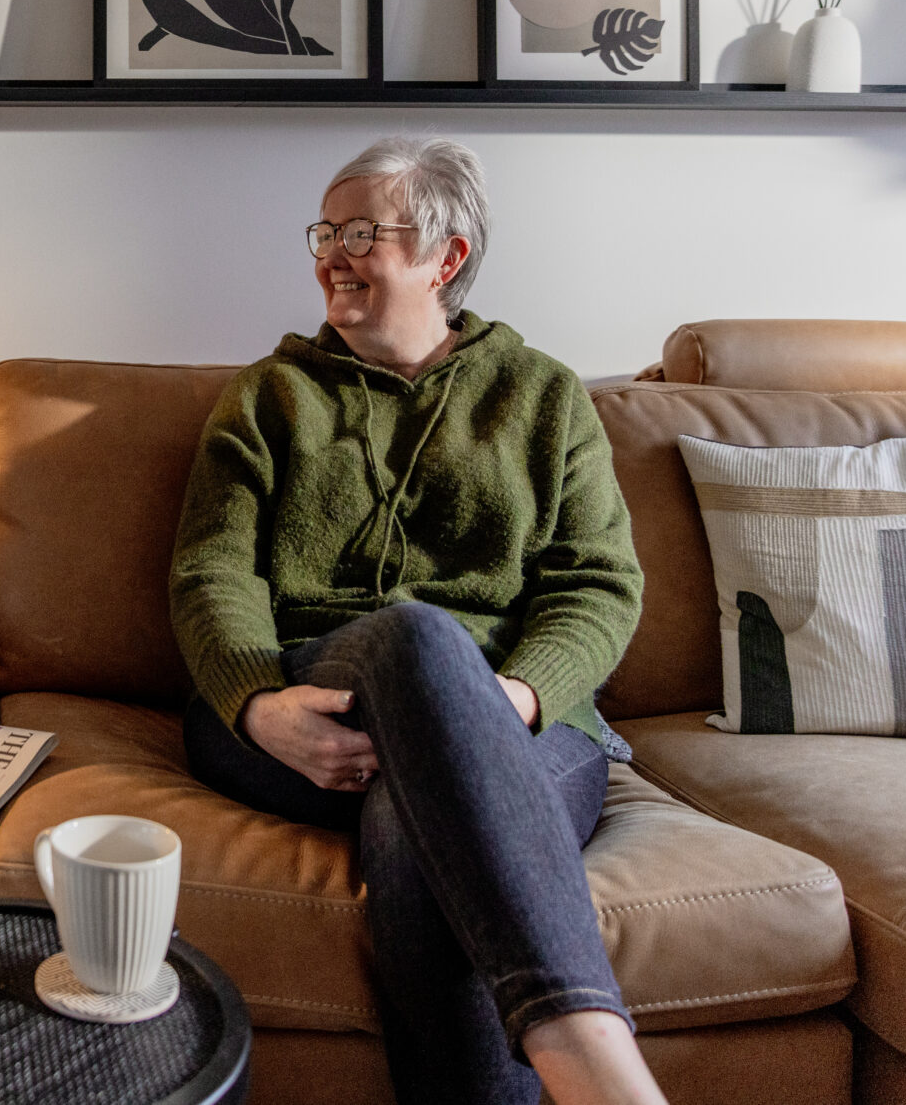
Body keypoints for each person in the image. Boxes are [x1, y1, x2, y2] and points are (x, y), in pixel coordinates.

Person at [170, 138, 667, 1105]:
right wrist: (259, 705)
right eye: (324, 231)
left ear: (446, 256)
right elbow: (209, 575)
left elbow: (598, 583)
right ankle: (596, 1061)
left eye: (360, 231)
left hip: (521, 720)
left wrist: (518, 697)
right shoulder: (268, 398)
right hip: (305, 701)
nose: (330, 254)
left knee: (417, 822)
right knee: (416, 634)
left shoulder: (545, 396)